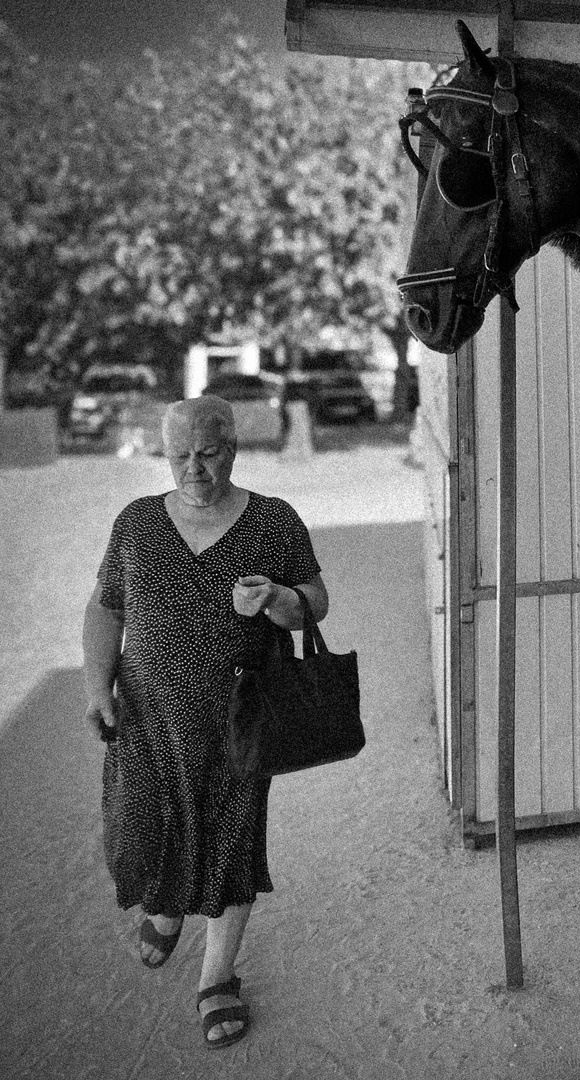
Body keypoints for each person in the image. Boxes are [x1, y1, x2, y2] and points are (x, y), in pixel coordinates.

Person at [82, 394, 329, 1048]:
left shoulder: (273, 523)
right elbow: (106, 608)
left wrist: (279, 599)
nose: (193, 469)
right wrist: (95, 685)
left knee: (230, 842)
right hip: (146, 720)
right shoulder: (136, 523)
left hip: (241, 722)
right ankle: (164, 911)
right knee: (143, 826)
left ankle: (216, 978)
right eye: (178, 456)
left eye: (208, 453)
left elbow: (315, 603)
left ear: (233, 447)